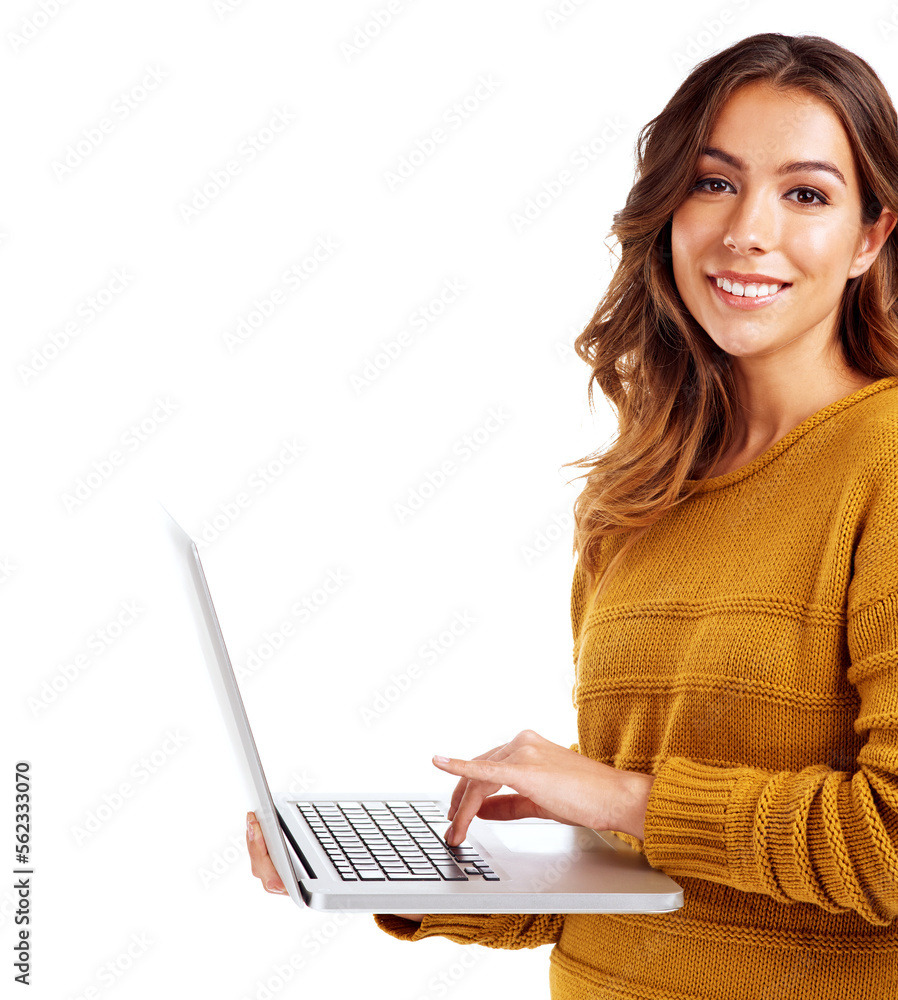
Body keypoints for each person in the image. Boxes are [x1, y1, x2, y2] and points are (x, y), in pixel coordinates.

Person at [246, 31, 898, 999]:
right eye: (713, 182)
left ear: (871, 237)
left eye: (804, 193)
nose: (746, 231)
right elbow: (637, 869)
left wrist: (625, 797)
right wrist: (387, 876)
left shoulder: (881, 460)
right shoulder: (638, 491)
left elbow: (882, 849)